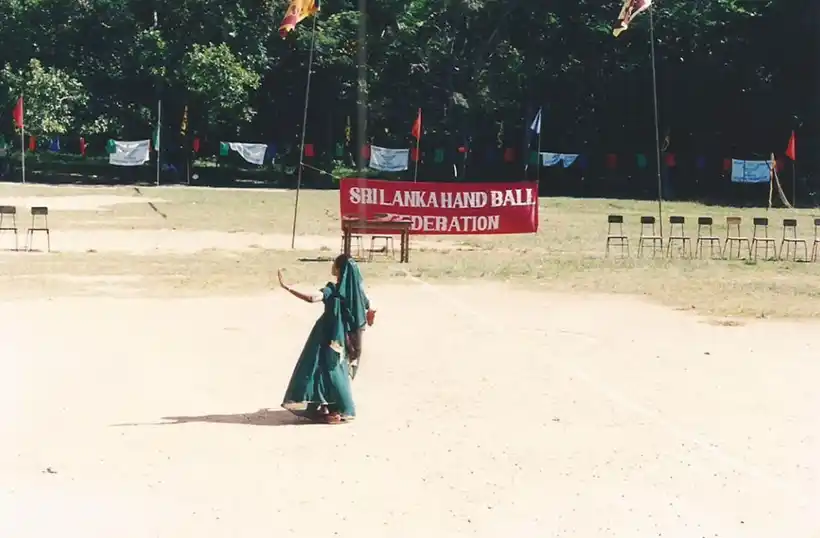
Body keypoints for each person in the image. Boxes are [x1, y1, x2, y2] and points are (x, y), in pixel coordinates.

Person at [278, 254, 373, 424]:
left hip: (329, 336)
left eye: (335, 264)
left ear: (339, 269)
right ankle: (325, 405)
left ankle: (342, 409)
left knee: (329, 370)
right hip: (346, 338)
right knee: (331, 369)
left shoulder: (332, 290)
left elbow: (312, 298)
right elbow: (368, 312)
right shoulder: (358, 295)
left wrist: (288, 288)